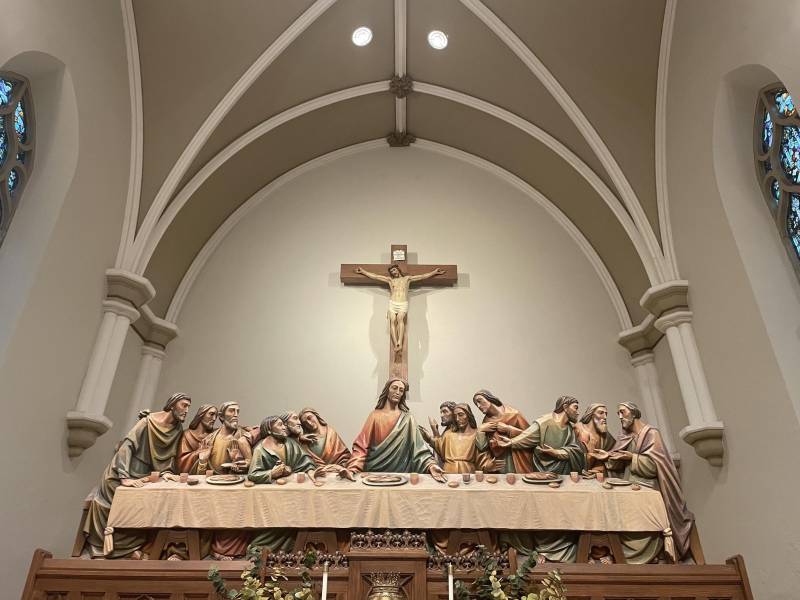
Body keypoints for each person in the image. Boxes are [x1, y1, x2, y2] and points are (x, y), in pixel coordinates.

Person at [83, 393, 190, 558]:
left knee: (148, 503)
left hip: (146, 474)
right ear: (172, 404)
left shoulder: (177, 429)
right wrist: (125, 477)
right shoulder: (148, 421)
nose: (187, 410)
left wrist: (167, 472)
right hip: (122, 470)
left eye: (188, 407)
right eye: (184, 405)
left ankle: (131, 549)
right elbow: (127, 446)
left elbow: (168, 457)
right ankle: (106, 549)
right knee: (121, 500)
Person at [591, 402, 695, 563]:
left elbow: (655, 467)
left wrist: (631, 457)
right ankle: (613, 550)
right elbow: (617, 460)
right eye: (618, 413)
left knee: (633, 509)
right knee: (612, 503)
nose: (619, 417)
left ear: (634, 413)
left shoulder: (651, 434)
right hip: (629, 483)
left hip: (649, 486)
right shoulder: (625, 435)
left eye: (622, 412)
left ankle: (635, 556)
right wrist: (608, 456)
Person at [346, 378, 446, 481]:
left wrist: (431, 465)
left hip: (401, 475)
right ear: (387, 390)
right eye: (394, 388)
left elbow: (419, 449)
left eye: (401, 390)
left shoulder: (408, 419)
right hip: (374, 474)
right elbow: (362, 446)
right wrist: (352, 468)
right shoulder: (375, 416)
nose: (398, 392)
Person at [248, 416, 320, 552]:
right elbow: (253, 475)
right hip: (271, 499)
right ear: (269, 429)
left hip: (294, 495)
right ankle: (262, 552)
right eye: (280, 425)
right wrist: (272, 474)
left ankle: (296, 549)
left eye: (284, 425)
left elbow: (305, 460)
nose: (284, 427)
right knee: (276, 523)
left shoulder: (289, 443)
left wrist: (311, 471)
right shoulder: (260, 449)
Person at [354, 264, 445, 355]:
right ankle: (395, 343)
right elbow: (376, 276)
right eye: (392, 271)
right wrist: (363, 271)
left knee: (400, 319)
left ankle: (399, 342)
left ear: (398, 269)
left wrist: (434, 272)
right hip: (393, 303)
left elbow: (422, 276)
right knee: (392, 321)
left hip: (402, 303)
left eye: (394, 270)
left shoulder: (407, 279)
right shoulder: (390, 280)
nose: (393, 272)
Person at [472, 389, 531, 473]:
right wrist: (480, 432)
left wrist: (509, 429)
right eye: (476, 404)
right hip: (500, 461)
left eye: (479, 401)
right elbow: (482, 448)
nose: (478, 406)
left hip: (516, 458)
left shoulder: (514, 414)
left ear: (489, 398)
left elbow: (530, 437)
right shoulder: (486, 422)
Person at [196, 401, 252, 475]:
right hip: (212, 483)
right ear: (221, 416)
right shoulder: (209, 440)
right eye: (231, 411)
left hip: (235, 483)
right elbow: (200, 475)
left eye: (237, 411)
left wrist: (241, 465)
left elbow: (253, 467)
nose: (236, 415)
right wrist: (203, 461)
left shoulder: (245, 437)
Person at [431, 403, 487, 473]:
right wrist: (433, 433)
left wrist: (488, 465)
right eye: (455, 416)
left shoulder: (476, 433)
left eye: (460, 415)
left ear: (468, 415)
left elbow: (482, 455)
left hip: (467, 472)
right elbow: (440, 450)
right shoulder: (448, 434)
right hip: (448, 471)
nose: (457, 419)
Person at [573, 403, 615, 474]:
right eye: (601, 413)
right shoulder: (578, 428)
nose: (605, 417)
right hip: (578, 472)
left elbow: (615, 454)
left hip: (596, 476)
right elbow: (571, 453)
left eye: (606, 414)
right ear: (591, 414)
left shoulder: (605, 436)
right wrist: (590, 455)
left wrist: (600, 467)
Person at [177, 404, 217, 474]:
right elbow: (181, 461)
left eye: (216, 416)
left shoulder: (213, 435)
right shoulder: (187, 435)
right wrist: (198, 453)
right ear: (201, 415)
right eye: (211, 414)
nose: (214, 419)